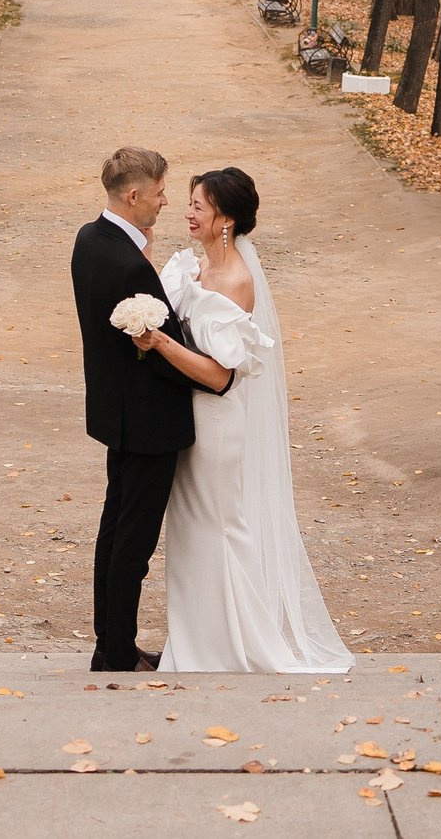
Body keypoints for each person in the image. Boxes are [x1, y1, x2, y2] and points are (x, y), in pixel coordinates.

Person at [130, 167, 351, 674]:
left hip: (215, 424)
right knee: (190, 534)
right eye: (187, 202)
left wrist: (158, 341)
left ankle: (231, 647)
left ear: (225, 219)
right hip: (187, 420)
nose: (188, 212)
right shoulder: (189, 269)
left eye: (198, 206)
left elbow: (218, 375)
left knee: (219, 529)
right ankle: (197, 645)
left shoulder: (235, 282)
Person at [70, 146, 223, 672]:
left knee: (114, 531)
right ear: (133, 195)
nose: (165, 202)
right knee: (132, 546)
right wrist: (210, 372)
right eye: (159, 193)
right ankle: (116, 655)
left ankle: (109, 643)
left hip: (116, 413)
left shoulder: (91, 240)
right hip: (148, 422)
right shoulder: (125, 261)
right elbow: (155, 351)